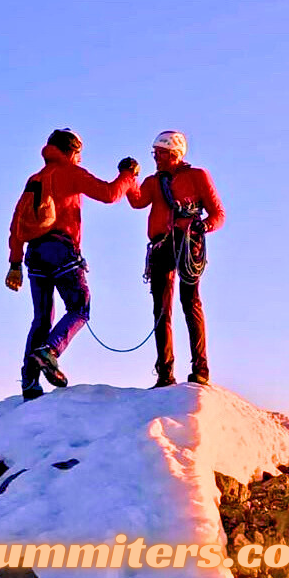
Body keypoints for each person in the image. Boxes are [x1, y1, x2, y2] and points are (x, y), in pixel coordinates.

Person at [7, 128, 139, 400]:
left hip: (35, 253)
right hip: (62, 250)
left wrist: (15, 263)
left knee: (42, 318)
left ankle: (29, 384)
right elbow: (109, 193)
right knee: (80, 307)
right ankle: (50, 351)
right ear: (73, 151)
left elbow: (17, 221)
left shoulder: (35, 179)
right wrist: (127, 174)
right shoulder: (70, 172)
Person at [127, 130, 224, 387]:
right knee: (161, 309)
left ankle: (200, 369)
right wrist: (128, 178)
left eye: (159, 153)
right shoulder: (152, 181)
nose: (155, 157)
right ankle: (165, 373)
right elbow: (137, 202)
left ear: (173, 153)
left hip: (187, 241)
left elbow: (218, 213)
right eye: (154, 153)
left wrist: (205, 226)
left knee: (189, 302)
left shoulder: (197, 176)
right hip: (161, 245)